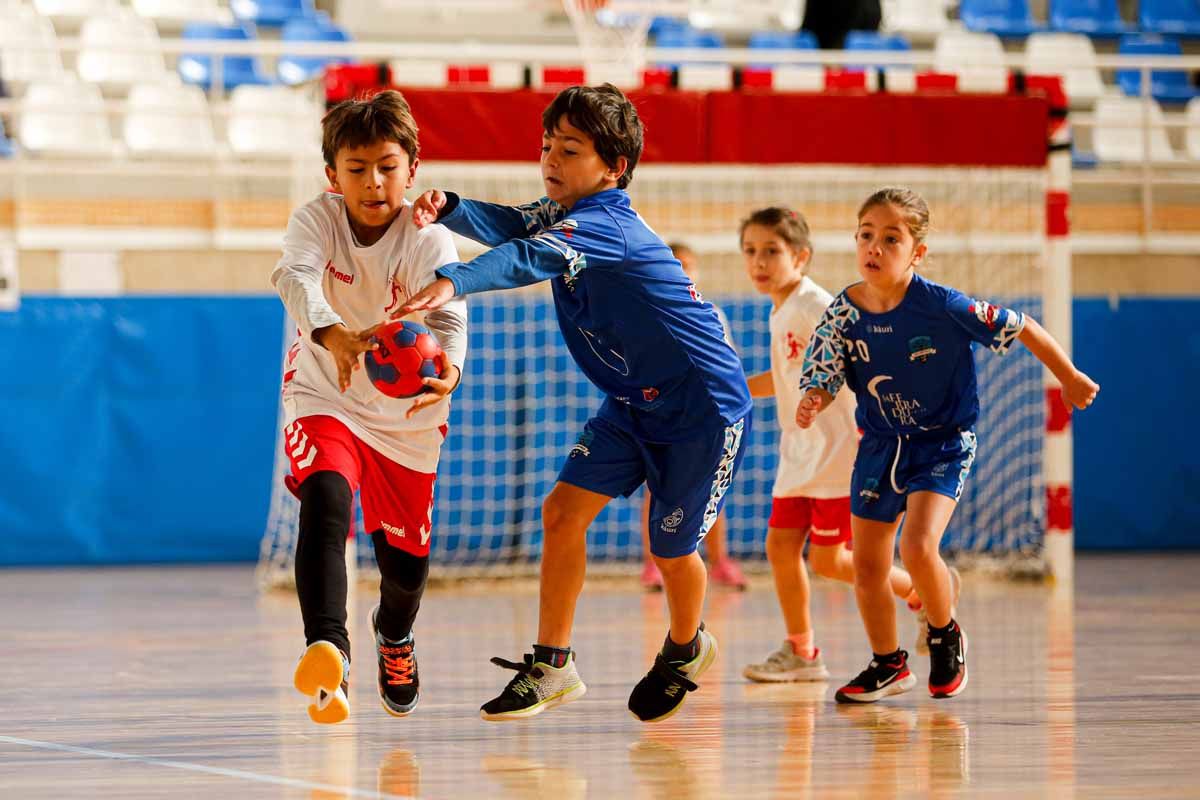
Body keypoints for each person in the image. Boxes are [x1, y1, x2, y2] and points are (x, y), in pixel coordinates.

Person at [398, 83, 752, 723]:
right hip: (633, 401)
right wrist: (450, 206)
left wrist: (455, 280)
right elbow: (513, 225)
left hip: (702, 408)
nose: (550, 160)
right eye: (546, 146)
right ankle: (553, 665)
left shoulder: (608, 225)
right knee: (561, 512)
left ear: (614, 168)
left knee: (670, 549)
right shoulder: (565, 213)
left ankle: (684, 649)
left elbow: (526, 257)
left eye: (570, 149)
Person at [796, 187, 1099, 703]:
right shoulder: (843, 312)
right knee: (867, 564)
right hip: (881, 445)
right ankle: (888, 663)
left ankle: (944, 632)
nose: (875, 246)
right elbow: (822, 373)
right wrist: (814, 398)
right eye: (866, 235)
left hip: (942, 443)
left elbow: (1023, 326)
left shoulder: (943, 306)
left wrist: (1068, 377)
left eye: (891, 238)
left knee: (916, 545)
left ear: (917, 252)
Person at [271, 90, 468, 724]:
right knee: (327, 499)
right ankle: (329, 646)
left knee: (405, 570)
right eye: (356, 169)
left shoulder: (426, 236)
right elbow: (293, 277)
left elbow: (448, 308)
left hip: (406, 418)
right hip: (324, 388)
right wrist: (331, 335)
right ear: (333, 176)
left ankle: (394, 635)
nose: (373, 182)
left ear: (412, 170)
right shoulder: (316, 220)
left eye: (387, 166)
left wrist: (451, 368)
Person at [736, 206, 925, 683]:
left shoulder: (815, 305)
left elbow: (856, 359)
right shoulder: (781, 309)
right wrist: (730, 385)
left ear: (801, 256)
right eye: (750, 252)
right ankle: (801, 650)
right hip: (799, 450)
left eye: (771, 251)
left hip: (838, 449)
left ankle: (922, 589)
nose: (759, 262)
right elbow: (785, 381)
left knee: (830, 560)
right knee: (781, 547)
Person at [640, 241, 746, 592]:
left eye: (688, 264)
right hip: (664, 412)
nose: (683, 270)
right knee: (656, 492)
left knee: (711, 493)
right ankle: (653, 565)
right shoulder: (649, 311)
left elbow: (726, 362)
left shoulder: (711, 312)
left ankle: (720, 562)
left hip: (705, 415)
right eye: (676, 264)